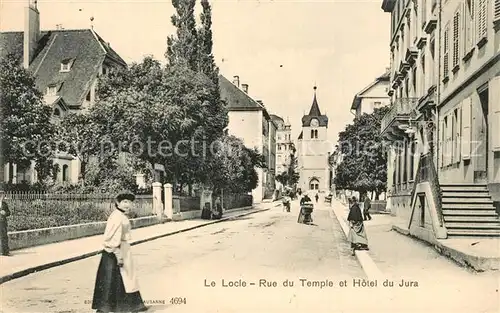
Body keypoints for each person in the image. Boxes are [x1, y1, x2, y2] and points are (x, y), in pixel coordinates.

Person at [91, 190, 148, 313]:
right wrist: (118, 254)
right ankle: (108, 308)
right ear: (118, 203)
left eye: (129, 202)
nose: (127, 205)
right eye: (124, 202)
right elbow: (110, 238)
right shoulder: (117, 217)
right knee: (115, 279)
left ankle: (133, 306)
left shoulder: (120, 215)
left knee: (126, 278)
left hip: (123, 248)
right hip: (115, 251)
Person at [0, 189, 11, 256]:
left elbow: (9, 213)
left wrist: (5, 213)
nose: (1, 195)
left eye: (2, 194)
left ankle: (5, 252)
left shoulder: (4, 204)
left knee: (4, 237)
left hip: (2, 222)